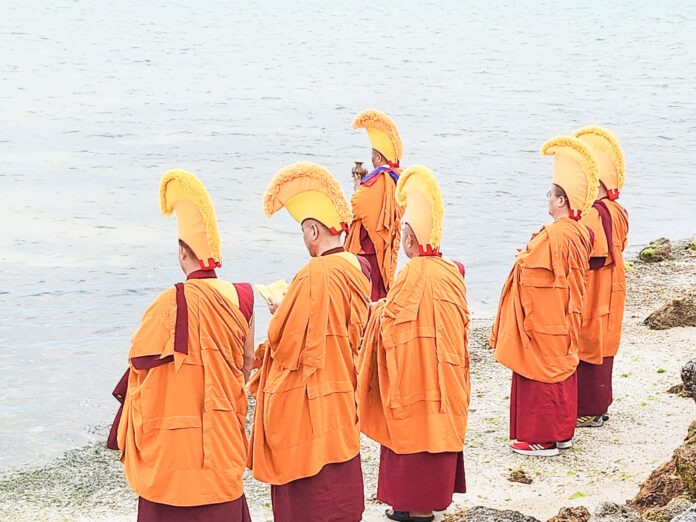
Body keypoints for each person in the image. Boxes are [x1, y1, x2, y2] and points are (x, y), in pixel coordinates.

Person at [108, 169, 255, 521]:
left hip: (173, 446)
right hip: (222, 431)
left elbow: (139, 370)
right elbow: (247, 364)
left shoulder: (167, 302)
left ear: (182, 253)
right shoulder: (242, 296)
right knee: (221, 485)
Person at [248, 162, 371, 522]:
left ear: (314, 230)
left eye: (304, 232)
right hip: (341, 382)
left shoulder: (313, 274)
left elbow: (285, 345)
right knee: (338, 456)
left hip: (309, 391)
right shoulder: (354, 267)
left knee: (310, 466)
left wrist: (278, 310)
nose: (304, 240)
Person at [357, 165, 470, 522]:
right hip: (447, 374)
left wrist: (374, 312)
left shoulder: (410, 272)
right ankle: (420, 503)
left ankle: (415, 508)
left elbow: (392, 326)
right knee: (436, 433)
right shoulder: (451, 271)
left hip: (413, 378)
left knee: (410, 434)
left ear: (409, 240)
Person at [490, 136, 599, 457]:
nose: (548, 200)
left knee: (541, 369)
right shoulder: (580, 231)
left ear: (563, 201)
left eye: (551, 195)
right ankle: (562, 433)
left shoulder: (556, 233)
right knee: (562, 367)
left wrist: (522, 257)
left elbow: (532, 268)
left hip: (547, 315)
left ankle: (543, 438)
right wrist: (529, 254)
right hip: (568, 311)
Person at [574, 126, 629, 428]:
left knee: (589, 342)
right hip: (614, 283)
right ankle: (600, 405)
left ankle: (588, 409)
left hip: (594, 286)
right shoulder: (618, 210)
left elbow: (588, 252)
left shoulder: (595, 213)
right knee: (603, 342)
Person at [345, 109, 404, 300]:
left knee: (369, 290)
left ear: (378, 158)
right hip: (385, 241)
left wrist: (358, 187)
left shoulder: (379, 179)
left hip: (368, 245)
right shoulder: (397, 177)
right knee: (381, 285)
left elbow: (358, 204)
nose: (371, 158)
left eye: (373, 155)